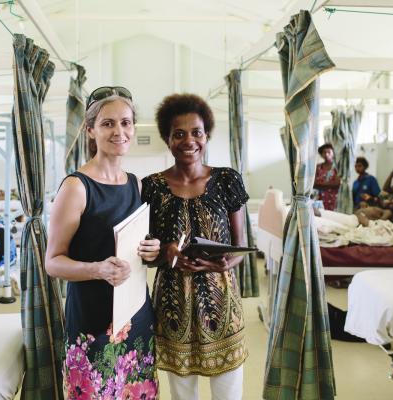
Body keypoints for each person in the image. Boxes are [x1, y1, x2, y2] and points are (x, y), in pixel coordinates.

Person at [45, 87, 160, 399]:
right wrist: (97, 269)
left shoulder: (136, 183)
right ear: (91, 130)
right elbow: (53, 261)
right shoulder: (76, 187)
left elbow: (131, 246)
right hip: (92, 319)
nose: (119, 131)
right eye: (108, 124)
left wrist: (150, 250)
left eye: (126, 123)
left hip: (135, 313)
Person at [141, 94, 248, 400]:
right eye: (179, 133)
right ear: (167, 138)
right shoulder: (151, 187)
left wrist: (228, 261)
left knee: (228, 392)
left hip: (223, 302)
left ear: (207, 135)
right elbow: (147, 254)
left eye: (196, 132)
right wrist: (167, 252)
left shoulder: (227, 180)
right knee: (182, 393)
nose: (189, 140)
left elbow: (238, 247)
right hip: (174, 306)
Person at [314, 143, 340, 211]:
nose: (326, 154)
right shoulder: (317, 167)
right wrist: (329, 183)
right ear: (321, 154)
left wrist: (320, 184)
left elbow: (337, 183)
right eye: (324, 152)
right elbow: (313, 184)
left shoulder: (337, 167)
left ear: (333, 153)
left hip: (333, 200)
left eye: (329, 152)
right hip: (319, 198)